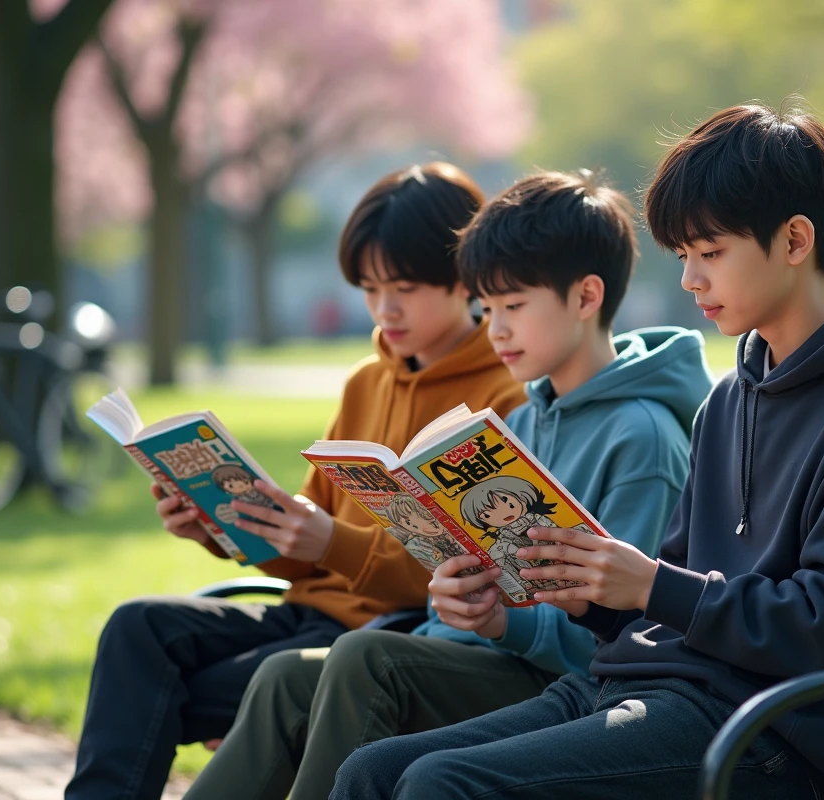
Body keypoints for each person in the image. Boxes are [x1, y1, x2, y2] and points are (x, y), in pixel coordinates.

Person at [331, 104, 824, 800]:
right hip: (644, 685)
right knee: (372, 772)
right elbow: (671, 593)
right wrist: (586, 593)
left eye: (711, 253)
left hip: (767, 737)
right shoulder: (734, 396)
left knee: (444, 784)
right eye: (682, 257)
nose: (690, 280)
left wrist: (651, 584)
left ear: (794, 240)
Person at [182, 169, 714, 800]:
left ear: (586, 297)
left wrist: (498, 624)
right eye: (487, 309)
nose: (496, 330)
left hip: (564, 682)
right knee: (283, 679)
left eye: (514, 307)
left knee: (364, 658)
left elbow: (619, 636)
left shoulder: (642, 438)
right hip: (477, 652)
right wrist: (456, 596)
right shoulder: (525, 419)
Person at [66, 162, 525, 800]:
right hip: (307, 616)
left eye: (405, 287)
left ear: (463, 280)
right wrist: (217, 526)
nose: (383, 309)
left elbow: (468, 570)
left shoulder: (502, 397)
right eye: (369, 288)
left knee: (176, 694)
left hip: (385, 639)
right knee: (137, 628)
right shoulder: (367, 380)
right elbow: (306, 557)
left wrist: (330, 542)